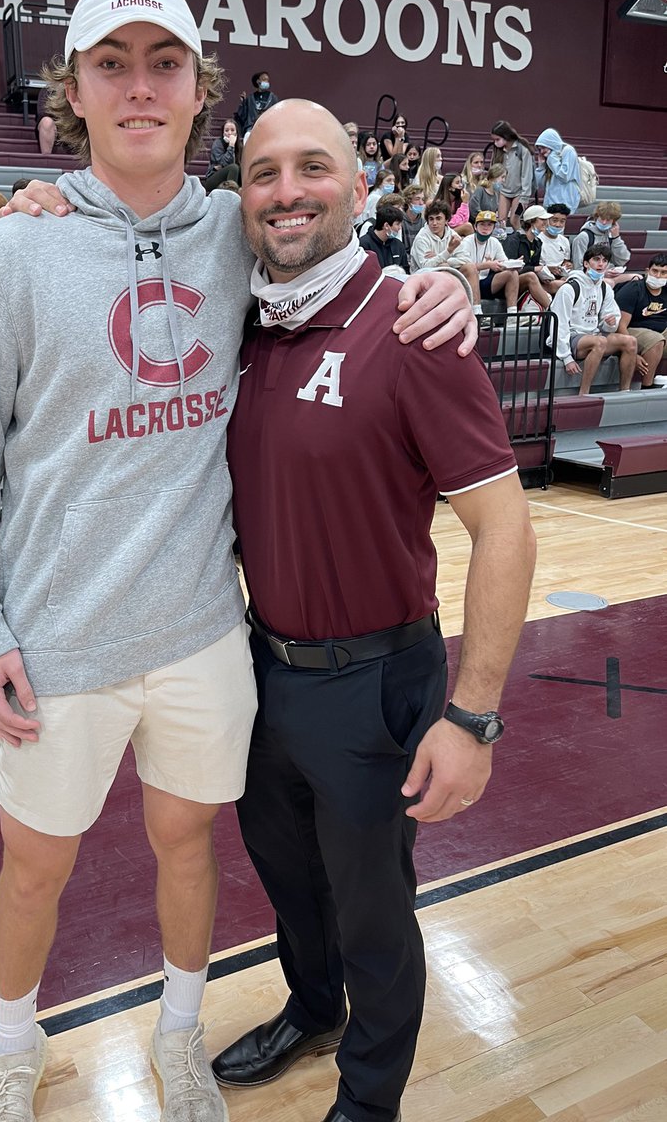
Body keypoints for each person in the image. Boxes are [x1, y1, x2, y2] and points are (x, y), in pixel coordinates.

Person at [0, 0, 476, 1122]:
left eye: (161, 64)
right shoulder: (10, 255)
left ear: (199, 95)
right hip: (55, 643)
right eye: (110, 64)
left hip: (202, 636)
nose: (137, 87)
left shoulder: (234, 230)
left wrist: (451, 279)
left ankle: (179, 1043)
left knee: (189, 849)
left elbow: (334, 249)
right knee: (36, 866)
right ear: (73, 90)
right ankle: (12, 1054)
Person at [213, 98, 536, 1122]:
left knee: (375, 912)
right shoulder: (244, 324)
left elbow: (508, 532)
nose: (288, 191)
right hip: (259, 671)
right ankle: (313, 1008)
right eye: (265, 173)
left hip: (375, 681)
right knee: (287, 881)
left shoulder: (412, 326)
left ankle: (370, 1101)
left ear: (359, 189)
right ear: (243, 198)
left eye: (314, 168)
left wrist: (473, 715)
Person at [551, 243, 632, 395]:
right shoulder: (569, 288)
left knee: (630, 342)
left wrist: (610, 324)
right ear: (586, 263)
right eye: (596, 259)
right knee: (599, 341)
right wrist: (566, 357)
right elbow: (558, 323)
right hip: (572, 336)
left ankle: (625, 392)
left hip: (592, 335)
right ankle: (584, 393)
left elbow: (611, 317)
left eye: (604, 261)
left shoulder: (604, 287)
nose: (601, 264)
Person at [409, 200, 482, 310]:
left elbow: (466, 259)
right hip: (421, 279)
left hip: (444, 269)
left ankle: (476, 310)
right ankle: (452, 310)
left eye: (438, 218)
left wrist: (442, 258)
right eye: (431, 219)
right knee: (445, 269)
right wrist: (448, 252)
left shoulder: (452, 234)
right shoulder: (421, 238)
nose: (434, 223)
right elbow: (425, 266)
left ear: (446, 220)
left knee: (470, 268)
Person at [615, 253, 667, 389]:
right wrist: (633, 352)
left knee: (658, 338)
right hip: (633, 329)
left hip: (661, 330)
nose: (658, 276)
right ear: (647, 271)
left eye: (663, 273)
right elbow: (620, 326)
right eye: (655, 271)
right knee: (655, 340)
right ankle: (647, 387)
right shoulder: (633, 289)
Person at [456, 210, 519, 314]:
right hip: (468, 283)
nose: (486, 228)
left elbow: (503, 262)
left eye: (489, 225)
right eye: (482, 224)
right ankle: (477, 313)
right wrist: (487, 265)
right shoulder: (467, 242)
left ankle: (512, 314)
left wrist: (514, 264)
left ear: (493, 228)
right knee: (471, 269)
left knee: (513, 274)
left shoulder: (495, 242)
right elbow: (463, 267)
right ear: (475, 227)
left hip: (485, 282)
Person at [571, 201, 637, 286]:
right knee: (610, 283)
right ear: (596, 217)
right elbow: (578, 268)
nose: (604, 222)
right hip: (589, 277)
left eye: (608, 220)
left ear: (614, 222)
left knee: (637, 278)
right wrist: (602, 273)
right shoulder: (584, 237)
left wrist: (616, 238)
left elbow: (622, 261)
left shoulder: (611, 235)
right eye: (602, 218)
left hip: (609, 275)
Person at [502, 205, 554, 310]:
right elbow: (506, 268)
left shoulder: (538, 243)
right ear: (531, 221)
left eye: (546, 220)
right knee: (531, 276)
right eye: (542, 219)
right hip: (510, 282)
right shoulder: (513, 240)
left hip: (527, 281)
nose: (546, 223)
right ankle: (554, 311)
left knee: (558, 284)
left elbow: (534, 266)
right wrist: (534, 269)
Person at [490, 120, 534, 232]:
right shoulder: (498, 151)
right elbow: (493, 170)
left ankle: (522, 243)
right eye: (494, 140)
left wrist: (525, 197)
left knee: (515, 220)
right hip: (504, 190)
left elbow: (526, 175)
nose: (495, 142)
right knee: (501, 221)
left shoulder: (522, 150)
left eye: (497, 139)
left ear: (506, 136)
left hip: (519, 192)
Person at [534, 127, 581, 212]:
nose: (541, 152)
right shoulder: (549, 159)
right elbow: (541, 184)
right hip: (550, 203)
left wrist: (551, 158)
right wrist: (541, 167)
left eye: (543, 147)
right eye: (540, 149)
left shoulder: (568, 151)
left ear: (551, 144)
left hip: (566, 203)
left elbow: (564, 176)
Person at [358, 204, 409, 275]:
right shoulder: (364, 244)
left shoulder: (398, 245)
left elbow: (406, 270)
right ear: (386, 226)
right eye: (397, 224)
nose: (400, 228)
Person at [234, 70, 278, 141]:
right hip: (252, 128)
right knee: (247, 137)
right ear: (258, 81)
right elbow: (243, 117)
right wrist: (243, 103)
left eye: (267, 80)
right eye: (264, 79)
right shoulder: (250, 98)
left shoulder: (273, 98)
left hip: (268, 129)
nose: (266, 82)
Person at [539, 203, 573, 291]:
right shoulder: (538, 239)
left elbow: (566, 261)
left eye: (562, 221)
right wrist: (550, 269)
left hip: (560, 277)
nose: (558, 225)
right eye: (554, 220)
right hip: (542, 278)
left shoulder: (564, 241)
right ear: (547, 220)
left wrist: (567, 265)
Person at [204, 118, 240, 191]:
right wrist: (231, 145)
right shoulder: (217, 144)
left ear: (236, 133)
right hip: (213, 178)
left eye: (232, 130)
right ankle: (230, 196)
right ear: (223, 133)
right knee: (233, 168)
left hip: (232, 178)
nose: (230, 133)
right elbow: (224, 164)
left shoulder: (240, 146)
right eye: (226, 130)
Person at [399, 185, 426, 255]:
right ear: (408, 201)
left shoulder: (424, 223)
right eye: (417, 199)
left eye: (422, 199)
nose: (421, 203)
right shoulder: (400, 221)